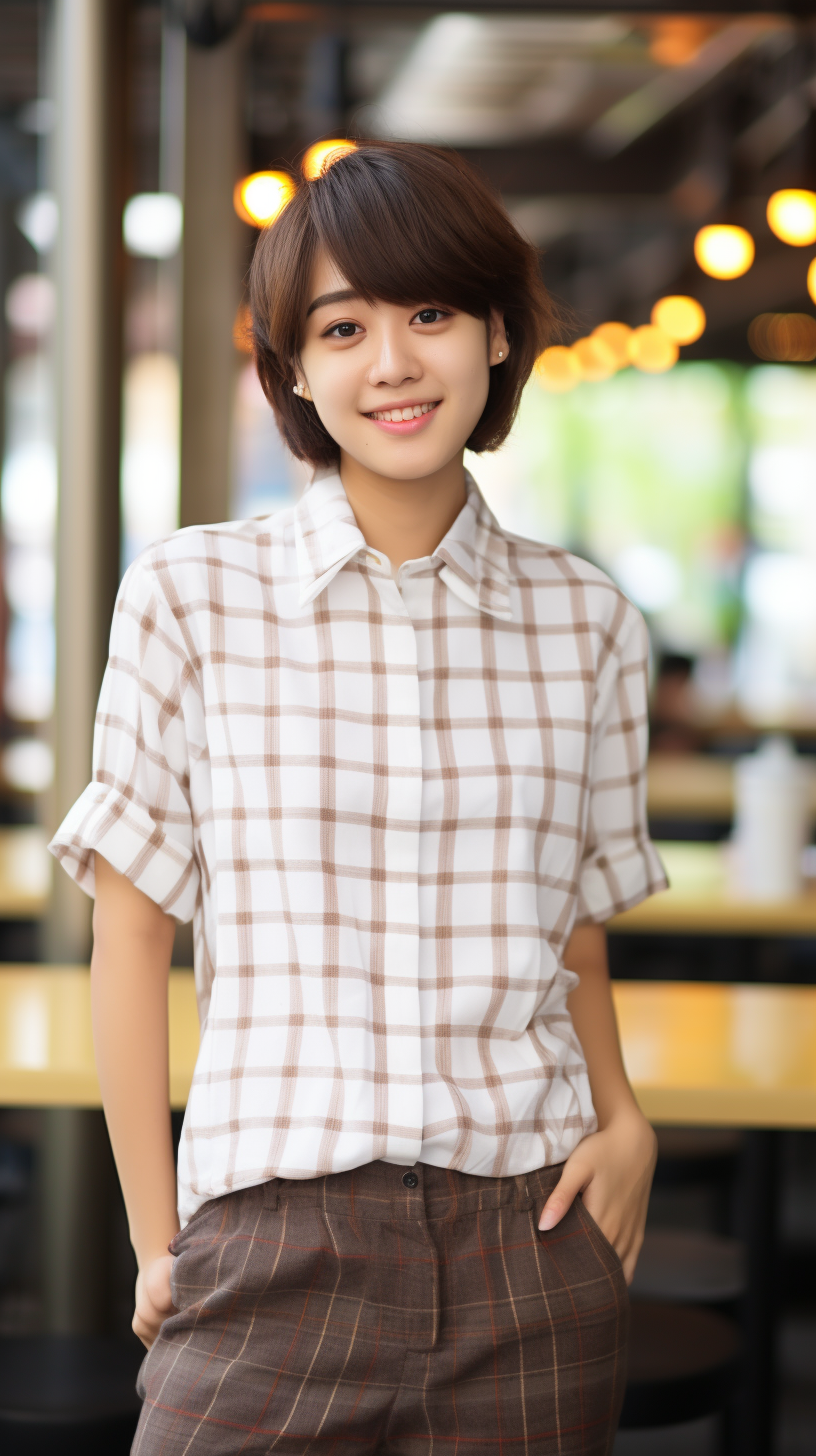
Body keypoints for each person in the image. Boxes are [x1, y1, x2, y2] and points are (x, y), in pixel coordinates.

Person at [50, 140, 666, 1455]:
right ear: (293, 368)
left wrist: (623, 1122)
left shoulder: (591, 622)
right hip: (274, 1240)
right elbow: (132, 936)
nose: (393, 362)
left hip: (531, 1241)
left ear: (496, 335)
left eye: (430, 313)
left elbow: (575, 928)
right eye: (344, 327)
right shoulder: (191, 596)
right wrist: (161, 1240)